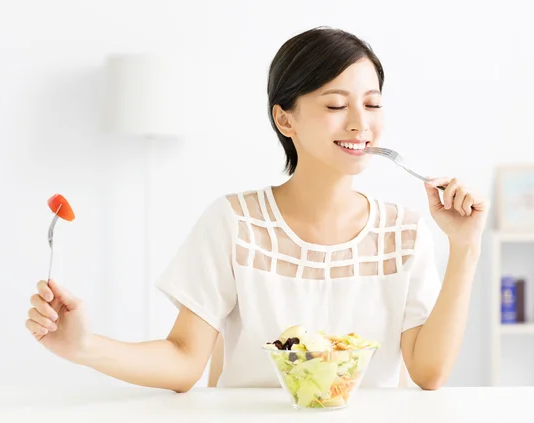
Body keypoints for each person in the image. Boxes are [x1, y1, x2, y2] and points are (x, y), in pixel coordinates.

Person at [25, 27, 488, 392]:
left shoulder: (402, 232)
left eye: (372, 103)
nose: (360, 124)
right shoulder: (235, 223)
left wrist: (464, 248)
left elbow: (429, 373)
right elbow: (185, 360)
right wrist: (84, 346)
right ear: (284, 118)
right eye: (335, 104)